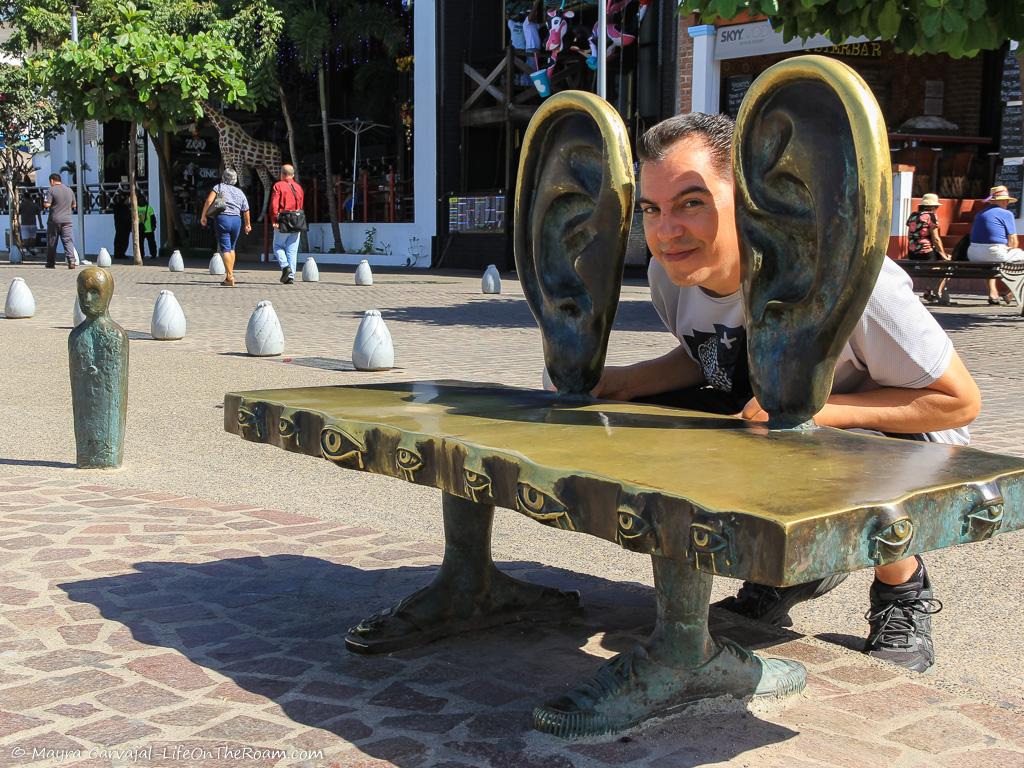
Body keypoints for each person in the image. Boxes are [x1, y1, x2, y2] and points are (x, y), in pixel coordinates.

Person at [593, 112, 981, 672]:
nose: (665, 230)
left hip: (902, 433)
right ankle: (791, 567)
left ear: (750, 196)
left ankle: (902, 587)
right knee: (664, 425)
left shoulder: (847, 278)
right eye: (653, 209)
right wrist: (622, 384)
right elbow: (713, 355)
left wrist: (820, 413)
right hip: (782, 417)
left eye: (692, 202)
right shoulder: (671, 273)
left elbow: (958, 401)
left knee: (827, 444)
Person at [967, 184, 1023, 305]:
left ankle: (993, 293)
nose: (1007, 203)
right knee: (1016, 256)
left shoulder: (979, 214)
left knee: (989, 264)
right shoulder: (1006, 214)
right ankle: (1011, 293)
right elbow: (1013, 240)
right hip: (994, 252)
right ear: (1002, 201)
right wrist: (1010, 251)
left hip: (973, 253)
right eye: (1007, 200)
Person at [200, 168, 250, 287]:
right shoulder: (240, 192)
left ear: (223, 177)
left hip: (223, 218)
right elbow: (246, 209)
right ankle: (229, 276)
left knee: (225, 249)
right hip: (236, 220)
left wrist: (203, 216)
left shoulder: (219, 187)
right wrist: (248, 224)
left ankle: (230, 276)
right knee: (232, 248)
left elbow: (209, 201)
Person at [906, 192, 951, 305]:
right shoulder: (931, 216)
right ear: (933, 207)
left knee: (933, 269)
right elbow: (936, 238)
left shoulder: (913, 216)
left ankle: (930, 290)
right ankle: (932, 291)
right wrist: (944, 255)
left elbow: (909, 235)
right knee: (947, 265)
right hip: (926, 251)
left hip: (912, 252)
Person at [270, 164, 305, 284]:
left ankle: (285, 267)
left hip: (283, 219)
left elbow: (274, 205)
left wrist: (274, 220)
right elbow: (301, 205)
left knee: (278, 246)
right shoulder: (299, 187)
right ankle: (291, 276)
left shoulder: (278, 185)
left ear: (282, 174)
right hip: (297, 220)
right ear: (293, 175)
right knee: (292, 249)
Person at [43, 173, 77, 269]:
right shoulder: (69, 190)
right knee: (68, 241)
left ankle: (50, 263)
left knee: (52, 242)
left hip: (54, 220)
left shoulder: (51, 190)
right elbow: (74, 205)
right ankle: (71, 261)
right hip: (67, 220)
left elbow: (47, 205)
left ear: (52, 181)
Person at [137, 193, 158, 259]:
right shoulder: (149, 208)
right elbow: (153, 218)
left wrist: (153, 225)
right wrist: (154, 226)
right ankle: (152, 255)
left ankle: (142, 255)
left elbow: (153, 218)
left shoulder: (136, 208)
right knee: (150, 243)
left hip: (144, 229)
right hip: (146, 229)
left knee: (142, 243)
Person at [112, 192, 132, 259]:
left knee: (121, 240)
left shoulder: (121, 207)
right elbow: (126, 218)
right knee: (122, 241)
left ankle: (120, 253)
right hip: (122, 226)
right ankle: (119, 254)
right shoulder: (121, 207)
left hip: (122, 226)